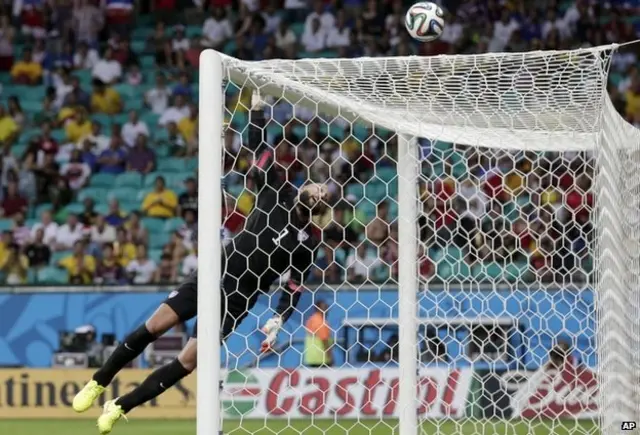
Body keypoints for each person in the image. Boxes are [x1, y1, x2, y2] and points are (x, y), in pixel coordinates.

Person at [72, 93, 328, 433]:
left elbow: (294, 286)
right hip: (213, 275)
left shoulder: (307, 242)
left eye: (323, 191)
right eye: (316, 184)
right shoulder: (276, 194)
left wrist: (279, 319)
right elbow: (257, 151)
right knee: (154, 327)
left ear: (318, 205)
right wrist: (256, 111)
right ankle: (99, 381)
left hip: (238, 298)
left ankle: (120, 406)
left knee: (188, 361)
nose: (317, 187)